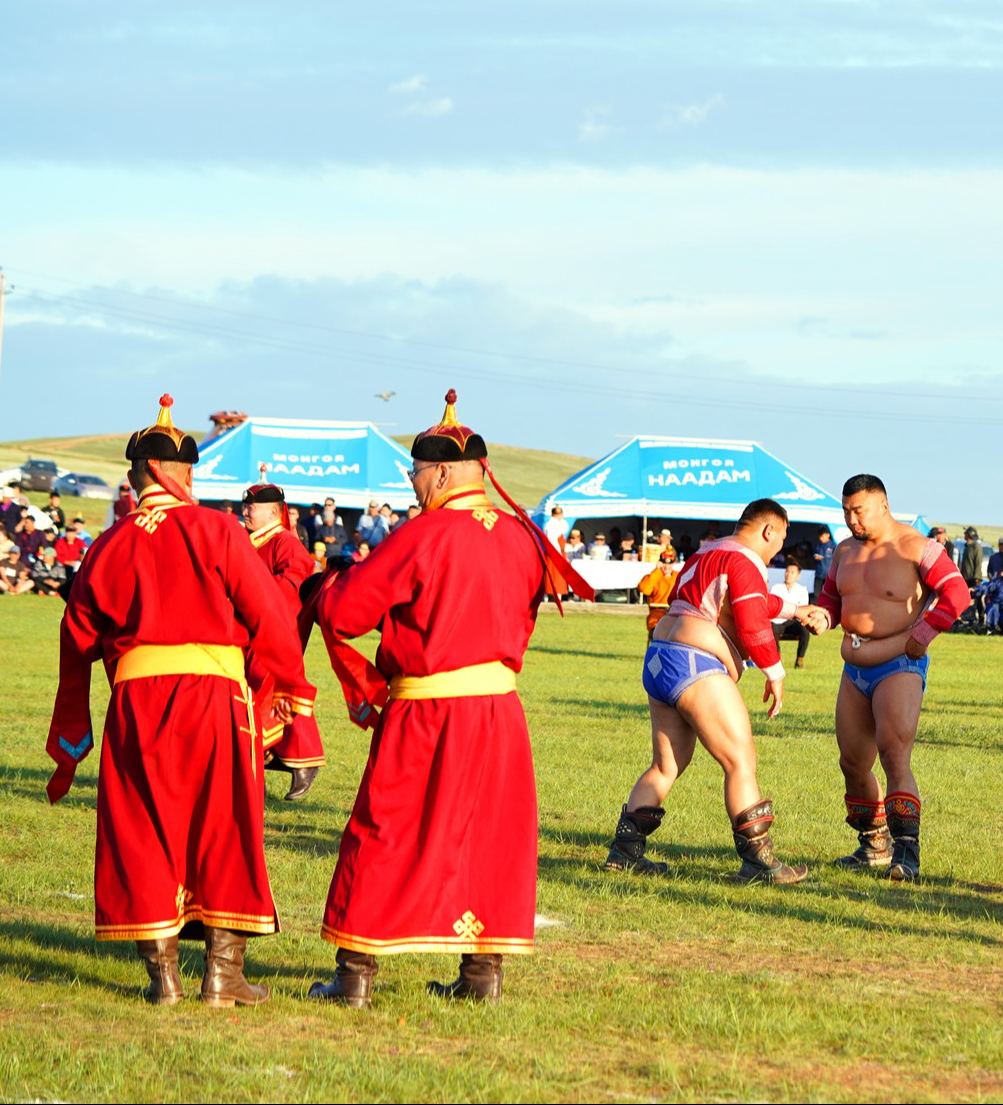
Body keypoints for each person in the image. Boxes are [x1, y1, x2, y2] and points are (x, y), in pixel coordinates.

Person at [307, 391, 589, 1007]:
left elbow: (349, 614)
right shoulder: (523, 537)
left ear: (439, 472)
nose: (411, 484)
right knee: (493, 834)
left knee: (385, 828)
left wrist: (330, 585)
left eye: (414, 472)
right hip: (499, 710)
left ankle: (354, 977)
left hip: (427, 709)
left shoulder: (422, 533)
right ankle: (482, 977)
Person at [43, 394, 308, 1007]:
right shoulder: (217, 529)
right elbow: (269, 614)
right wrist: (289, 688)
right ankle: (223, 975)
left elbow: (74, 639)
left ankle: (163, 977)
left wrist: (72, 726)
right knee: (222, 824)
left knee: (142, 829)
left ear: (136, 479)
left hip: (136, 703)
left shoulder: (106, 545)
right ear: (185, 475)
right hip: (212, 697)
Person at [603, 499, 806, 884]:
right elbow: (750, 620)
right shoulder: (746, 560)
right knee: (740, 761)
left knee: (667, 765)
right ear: (769, 531)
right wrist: (774, 672)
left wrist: (796, 610)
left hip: (661, 656)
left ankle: (624, 851)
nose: (779, 547)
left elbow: (742, 601)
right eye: (781, 538)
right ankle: (759, 864)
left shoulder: (707, 552)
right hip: (696, 663)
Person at [797, 475, 972, 881]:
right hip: (853, 668)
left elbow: (956, 593)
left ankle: (907, 853)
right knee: (853, 763)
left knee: (894, 753)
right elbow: (832, 598)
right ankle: (874, 843)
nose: (851, 520)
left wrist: (925, 633)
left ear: (883, 505)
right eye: (845, 512)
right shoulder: (843, 551)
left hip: (899, 664)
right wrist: (824, 615)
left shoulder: (917, 547)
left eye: (858, 511)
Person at [241, 482, 326, 800]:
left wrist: (249, 594)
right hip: (246, 633)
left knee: (264, 688)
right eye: (245, 505)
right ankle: (263, 759)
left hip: (274, 632)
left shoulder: (285, 541)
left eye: (253, 507)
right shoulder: (245, 542)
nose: (246, 511)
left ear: (275, 512)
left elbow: (294, 581)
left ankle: (300, 760)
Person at [771, 561, 816, 667]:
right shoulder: (776, 588)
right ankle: (777, 660)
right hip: (778, 620)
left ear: (798, 576)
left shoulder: (802, 590)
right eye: (787, 571)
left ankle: (800, 659)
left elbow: (803, 609)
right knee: (771, 629)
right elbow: (774, 607)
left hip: (794, 621)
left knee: (805, 629)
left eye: (792, 572)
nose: (788, 574)